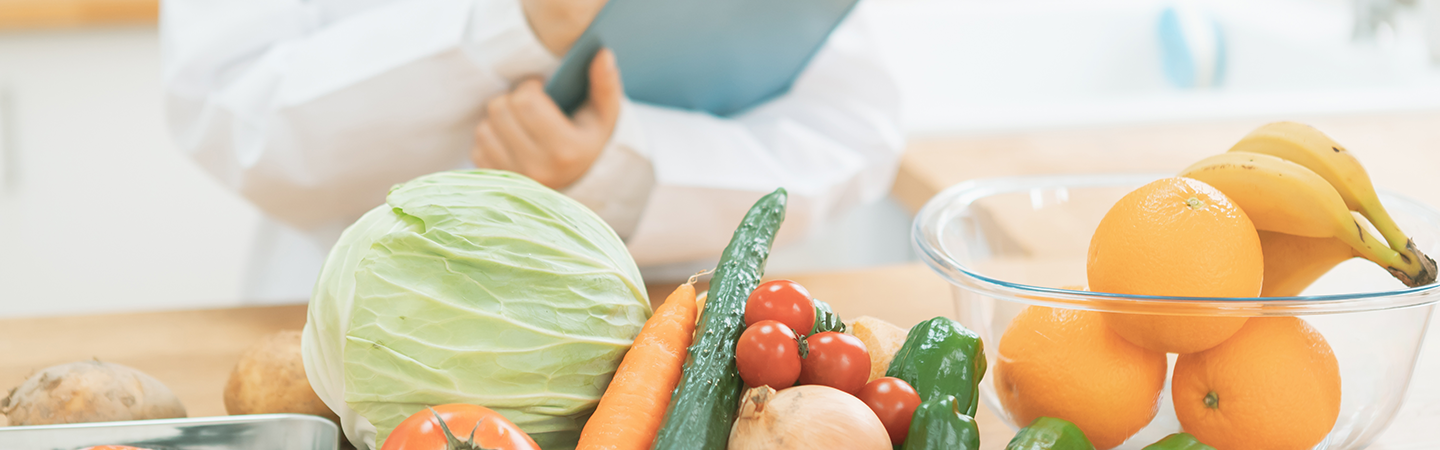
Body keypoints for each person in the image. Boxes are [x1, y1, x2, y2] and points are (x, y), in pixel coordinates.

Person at [160, 0, 904, 300]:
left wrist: (619, 168)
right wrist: (514, 26)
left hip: (663, 341)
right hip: (365, 321)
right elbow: (227, 109)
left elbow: (850, 130)